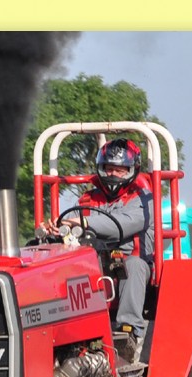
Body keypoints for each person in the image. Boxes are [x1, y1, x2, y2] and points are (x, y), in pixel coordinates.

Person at [49, 138, 154, 362]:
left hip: (132, 261)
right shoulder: (88, 199)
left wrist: (82, 222)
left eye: (120, 169)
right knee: (70, 266)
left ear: (132, 170)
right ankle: (69, 332)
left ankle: (128, 333)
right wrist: (57, 227)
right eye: (109, 168)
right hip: (97, 261)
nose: (113, 174)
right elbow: (70, 221)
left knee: (133, 266)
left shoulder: (143, 200)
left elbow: (121, 225)